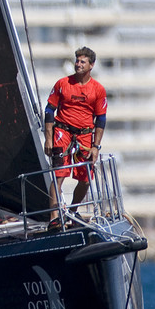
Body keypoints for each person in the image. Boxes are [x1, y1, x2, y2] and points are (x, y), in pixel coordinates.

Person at [44, 46, 106, 227]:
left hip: (85, 135)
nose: (78, 64)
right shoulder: (62, 84)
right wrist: (48, 139)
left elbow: (101, 119)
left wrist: (96, 146)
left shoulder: (98, 89)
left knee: (85, 178)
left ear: (91, 65)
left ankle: (72, 211)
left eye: (82, 62)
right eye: (77, 61)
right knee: (58, 174)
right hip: (62, 131)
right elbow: (49, 110)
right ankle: (54, 217)